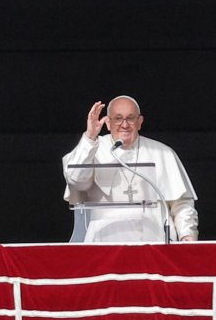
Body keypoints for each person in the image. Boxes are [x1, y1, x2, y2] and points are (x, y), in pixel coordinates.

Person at [62, 96, 199, 242]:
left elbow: (181, 203)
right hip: (103, 242)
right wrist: (90, 137)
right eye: (118, 118)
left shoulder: (162, 152)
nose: (124, 124)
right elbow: (75, 180)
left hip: (153, 242)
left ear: (140, 122)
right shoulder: (92, 148)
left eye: (130, 118)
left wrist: (187, 235)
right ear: (108, 123)